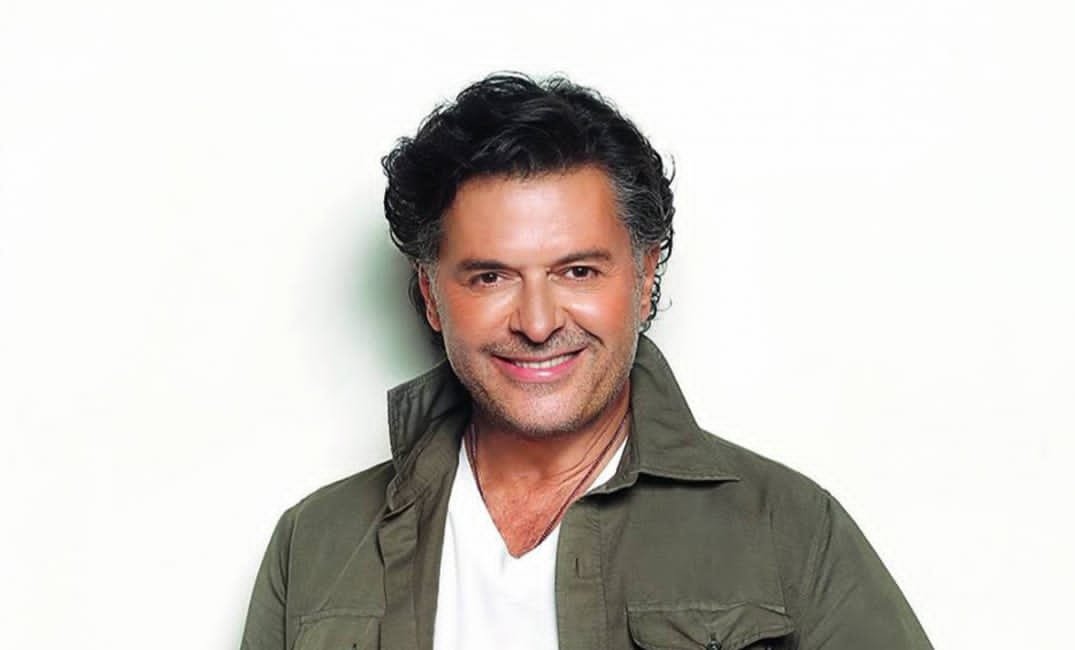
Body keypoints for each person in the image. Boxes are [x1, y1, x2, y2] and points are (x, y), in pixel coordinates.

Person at [240, 73, 932, 650]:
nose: (538, 323)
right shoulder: (316, 545)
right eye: (490, 276)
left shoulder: (787, 529)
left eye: (577, 271)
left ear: (644, 278)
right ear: (430, 295)